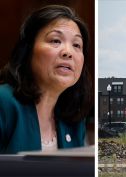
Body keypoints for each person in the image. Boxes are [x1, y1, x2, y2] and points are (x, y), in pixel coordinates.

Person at [0, 5, 93, 154]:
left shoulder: (73, 119)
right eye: (55, 41)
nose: (68, 52)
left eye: (77, 45)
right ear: (28, 50)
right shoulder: (3, 103)